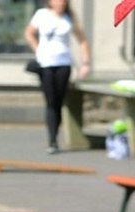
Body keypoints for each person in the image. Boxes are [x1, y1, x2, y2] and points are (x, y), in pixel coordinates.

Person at [25, 0, 88, 154]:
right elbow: (29, 33)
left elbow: (82, 40)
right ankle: (52, 140)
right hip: (46, 64)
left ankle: (56, 135)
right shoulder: (42, 15)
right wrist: (37, 49)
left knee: (59, 101)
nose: (60, 3)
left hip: (63, 64)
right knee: (51, 101)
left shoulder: (68, 18)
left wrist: (85, 63)